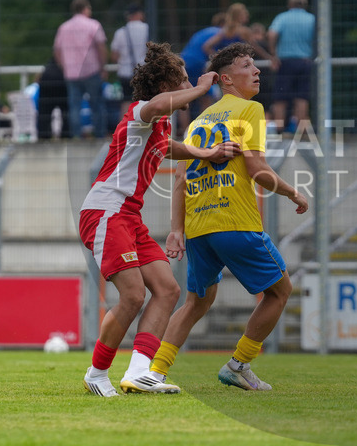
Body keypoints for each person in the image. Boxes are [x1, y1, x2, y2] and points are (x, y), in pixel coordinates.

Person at [143, 42, 309, 392]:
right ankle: (238, 364)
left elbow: (179, 178)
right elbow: (258, 169)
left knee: (196, 302)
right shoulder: (249, 110)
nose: (257, 70)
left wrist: (177, 230)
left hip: (199, 227)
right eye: (248, 65)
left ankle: (155, 371)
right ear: (227, 79)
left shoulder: (199, 120)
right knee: (280, 291)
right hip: (234, 221)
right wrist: (292, 191)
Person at [79, 41, 241, 397]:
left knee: (167, 290)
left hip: (128, 215)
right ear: (167, 86)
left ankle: (140, 372)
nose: (188, 85)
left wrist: (205, 152)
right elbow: (157, 107)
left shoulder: (158, 126)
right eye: (182, 80)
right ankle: (97, 373)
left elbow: (167, 147)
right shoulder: (143, 110)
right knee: (133, 295)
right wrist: (202, 88)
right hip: (106, 210)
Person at [54, 0, 108, 138]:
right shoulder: (93, 25)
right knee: (96, 105)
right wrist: (103, 66)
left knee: (74, 107)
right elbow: (101, 47)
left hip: (71, 72)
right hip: (92, 70)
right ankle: (99, 135)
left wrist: (64, 66)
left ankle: (76, 137)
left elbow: (57, 51)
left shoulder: (63, 27)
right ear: (85, 9)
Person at [267, 0, 315, 134]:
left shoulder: (283, 18)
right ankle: (300, 131)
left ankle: (279, 129)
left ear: (289, 4)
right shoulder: (311, 19)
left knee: (281, 97)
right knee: (302, 97)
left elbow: (271, 34)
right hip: (305, 61)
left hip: (285, 62)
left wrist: (273, 55)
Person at [179, 12, 225, 129]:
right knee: (206, 97)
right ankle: (203, 129)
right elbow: (206, 47)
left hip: (185, 62)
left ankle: (186, 132)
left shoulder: (206, 31)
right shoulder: (220, 33)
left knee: (184, 98)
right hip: (197, 64)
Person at [110, 4, 149, 114]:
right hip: (143, 72)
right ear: (139, 14)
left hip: (125, 73)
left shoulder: (120, 32)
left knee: (126, 102)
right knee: (144, 102)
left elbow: (114, 57)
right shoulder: (147, 29)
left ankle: (124, 129)